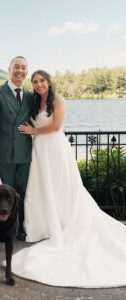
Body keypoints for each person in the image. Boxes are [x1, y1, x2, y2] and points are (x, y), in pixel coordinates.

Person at [9, 70, 126, 288]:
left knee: (61, 188)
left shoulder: (58, 100)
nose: (39, 84)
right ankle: (42, 227)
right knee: (42, 189)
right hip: (40, 150)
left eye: (42, 80)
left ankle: (63, 225)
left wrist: (31, 130)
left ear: (49, 82)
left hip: (55, 148)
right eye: (35, 82)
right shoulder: (35, 102)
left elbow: (55, 126)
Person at [0, 56, 33, 240]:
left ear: (27, 71)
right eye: (16, 67)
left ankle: (19, 228)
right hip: (3, 154)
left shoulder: (29, 95)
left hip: (25, 153)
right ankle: (0, 229)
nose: (20, 70)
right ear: (9, 69)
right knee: (3, 196)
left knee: (21, 195)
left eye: (24, 67)